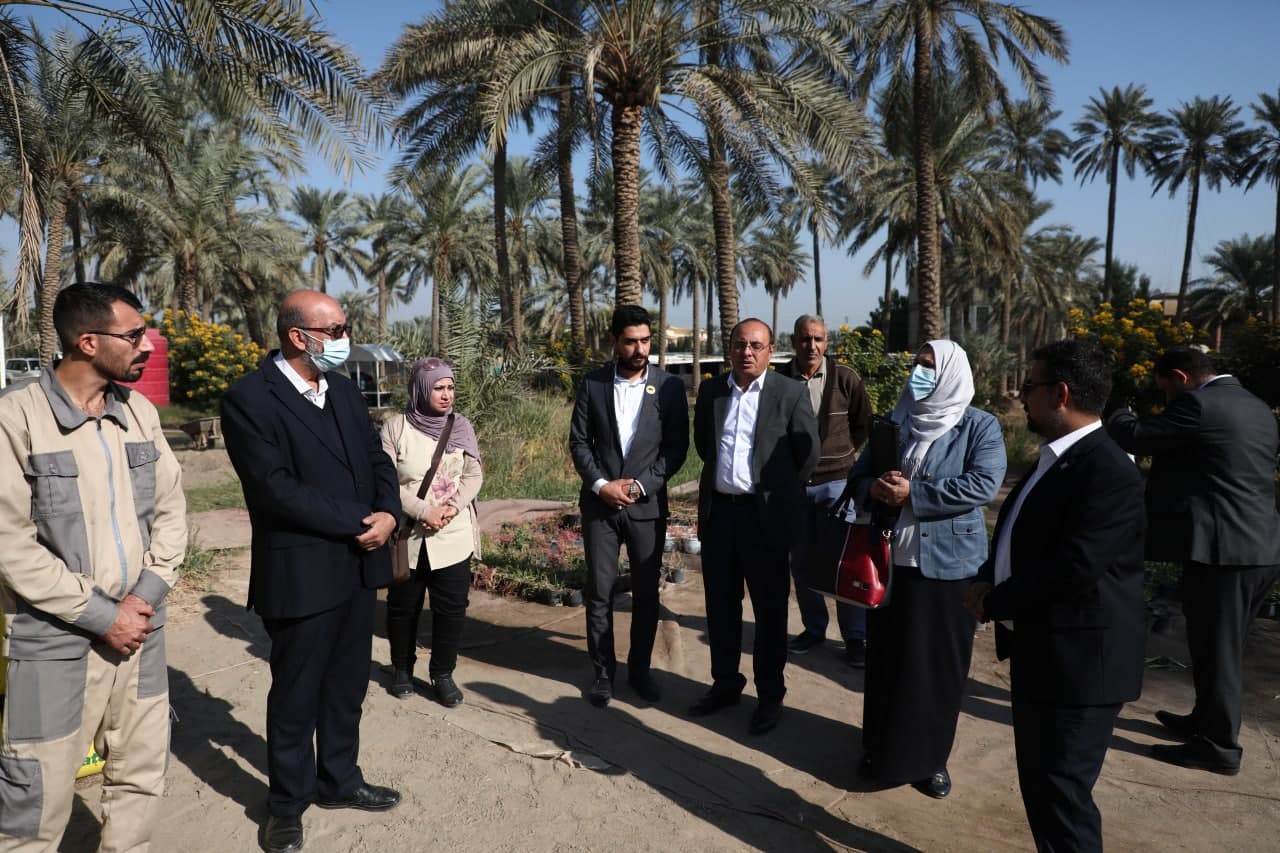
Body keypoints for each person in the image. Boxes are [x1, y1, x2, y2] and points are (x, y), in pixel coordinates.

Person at [0, 283, 187, 852]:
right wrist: (104, 615)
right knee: (35, 798)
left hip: (141, 632)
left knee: (141, 775)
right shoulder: (16, 417)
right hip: (52, 642)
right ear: (87, 342)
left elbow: (171, 513)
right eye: (134, 335)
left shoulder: (138, 413)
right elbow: (10, 544)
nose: (147, 346)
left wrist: (143, 597)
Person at [220, 290, 402, 853]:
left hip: (359, 564)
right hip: (302, 572)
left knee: (347, 686)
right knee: (297, 696)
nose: (346, 338)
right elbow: (273, 488)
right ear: (299, 337)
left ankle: (339, 779)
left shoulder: (343, 390)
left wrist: (389, 512)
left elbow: (377, 458)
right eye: (337, 330)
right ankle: (286, 805)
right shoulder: (250, 398)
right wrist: (358, 521)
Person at [967, 339, 1146, 852]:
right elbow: (1022, 536)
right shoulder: (1057, 457)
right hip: (1045, 651)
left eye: (1030, 387)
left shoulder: (1107, 470)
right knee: (1044, 790)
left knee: (1063, 796)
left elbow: (1076, 567)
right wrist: (988, 576)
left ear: (1060, 393)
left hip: (1082, 665)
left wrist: (994, 602)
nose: (1023, 397)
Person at [1106, 345, 1280, 775]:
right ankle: (1204, 721)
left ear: (1181, 378)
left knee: (1218, 649)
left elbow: (1138, 437)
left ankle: (1219, 748)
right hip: (1257, 548)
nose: (1166, 398)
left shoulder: (1200, 405)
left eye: (1165, 389)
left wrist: (1117, 411)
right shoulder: (1256, 406)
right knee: (1216, 643)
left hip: (1225, 551)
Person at [847, 339, 1005, 799]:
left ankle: (930, 760)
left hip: (948, 568)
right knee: (887, 661)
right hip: (889, 563)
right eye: (917, 364)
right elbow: (858, 476)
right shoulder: (896, 421)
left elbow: (982, 484)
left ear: (952, 373)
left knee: (934, 667)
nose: (920, 373)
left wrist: (912, 495)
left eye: (930, 366)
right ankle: (880, 749)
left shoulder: (978, 426)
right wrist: (874, 487)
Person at [689, 318, 818, 735]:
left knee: (769, 612)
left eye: (756, 346)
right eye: (740, 344)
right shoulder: (712, 392)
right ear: (729, 348)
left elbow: (807, 456)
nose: (747, 352)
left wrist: (777, 494)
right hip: (721, 516)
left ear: (770, 351)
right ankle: (726, 684)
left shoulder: (790, 393)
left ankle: (769, 696)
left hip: (765, 519)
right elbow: (705, 446)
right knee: (721, 608)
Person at [569, 306, 689, 707]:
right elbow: (579, 442)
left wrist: (640, 486)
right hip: (601, 508)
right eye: (631, 342)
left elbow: (676, 449)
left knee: (646, 596)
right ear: (614, 342)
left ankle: (640, 671)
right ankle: (603, 673)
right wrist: (601, 485)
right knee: (600, 591)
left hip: (646, 508)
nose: (639, 349)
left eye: (645, 341)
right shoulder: (594, 384)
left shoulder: (669, 387)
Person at [381, 358, 483, 708]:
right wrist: (423, 511)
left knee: (451, 609)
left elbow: (473, 475)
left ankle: (442, 674)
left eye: (450, 387)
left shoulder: (461, 427)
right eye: (438, 387)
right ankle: (402, 669)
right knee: (402, 607)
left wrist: (452, 507)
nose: (446, 395)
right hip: (408, 537)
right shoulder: (395, 428)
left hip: (453, 535)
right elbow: (385, 481)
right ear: (421, 389)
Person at [777, 314, 872, 666]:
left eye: (818, 339)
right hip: (795, 488)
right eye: (805, 339)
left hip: (838, 486)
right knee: (802, 561)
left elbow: (863, 423)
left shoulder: (845, 377)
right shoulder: (779, 380)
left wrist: (843, 458)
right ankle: (814, 628)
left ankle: (855, 637)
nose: (811, 346)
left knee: (845, 562)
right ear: (793, 341)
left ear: (827, 342)